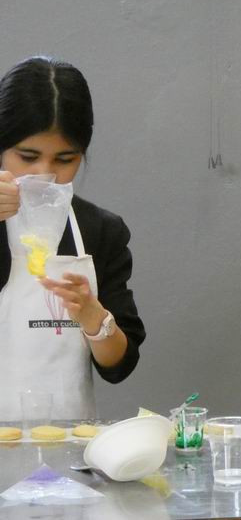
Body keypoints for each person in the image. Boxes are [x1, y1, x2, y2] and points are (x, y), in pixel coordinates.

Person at [0, 57, 145, 419]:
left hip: (65, 448)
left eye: (65, 159)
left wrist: (95, 318)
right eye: (28, 156)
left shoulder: (99, 230)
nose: (44, 173)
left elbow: (119, 366)